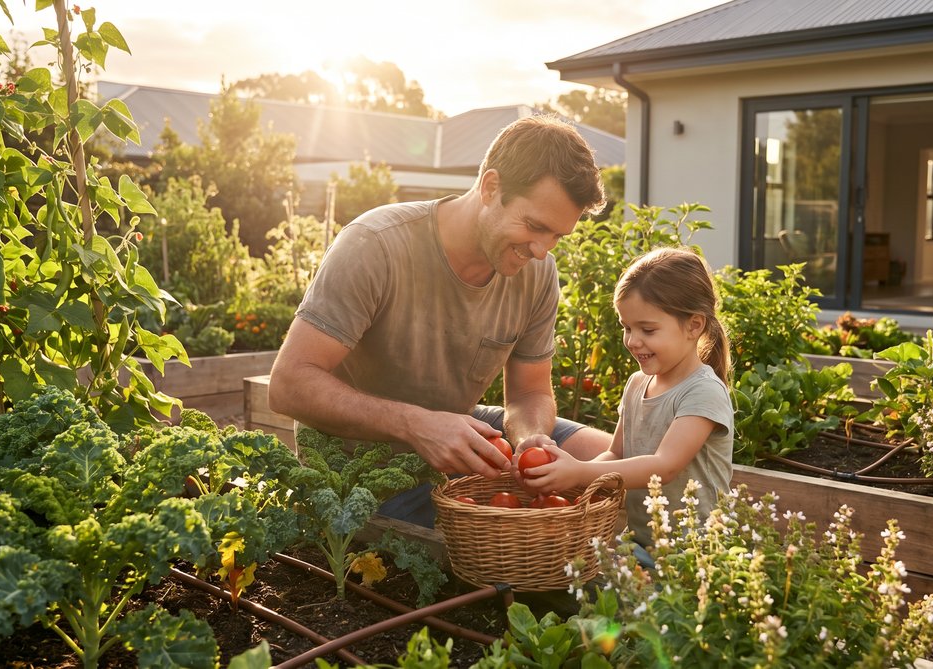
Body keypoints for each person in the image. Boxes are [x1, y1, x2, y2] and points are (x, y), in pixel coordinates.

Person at [268, 114, 613, 527]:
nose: (542, 250)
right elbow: (288, 384)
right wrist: (416, 425)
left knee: (615, 462)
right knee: (476, 542)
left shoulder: (537, 272)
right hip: (362, 469)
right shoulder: (376, 244)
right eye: (535, 226)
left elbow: (529, 393)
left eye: (557, 236)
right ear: (490, 187)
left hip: (457, 435)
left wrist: (529, 440)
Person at [518, 247, 734, 564]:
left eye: (647, 330)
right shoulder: (637, 385)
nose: (633, 340)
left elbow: (665, 466)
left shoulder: (703, 391)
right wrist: (571, 483)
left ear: (694, 326)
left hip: (696, 554)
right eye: (626, 327)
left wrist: (579, 472)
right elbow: (616, 454)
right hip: (642, 543)